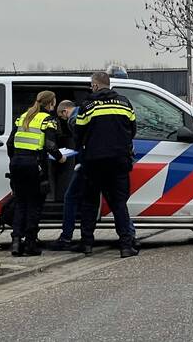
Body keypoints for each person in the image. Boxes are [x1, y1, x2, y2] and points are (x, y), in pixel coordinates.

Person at [75, 71, 138, 258]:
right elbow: (133, 130)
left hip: (94, 162)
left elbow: (79, 133)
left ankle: (86, 244)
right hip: (119, 161)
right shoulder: (125, 103)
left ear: (95, 85)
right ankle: (126, 246)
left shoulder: (87, 105)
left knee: (90, 203)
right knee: (119, 204)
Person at [6, 90, 66, 257]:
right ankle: (30, 244)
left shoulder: (23, 116)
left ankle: (16, 242)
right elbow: (50, 146)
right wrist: (61, 158)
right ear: (50, 104)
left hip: (17, 164)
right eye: (54, 102)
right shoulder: (48, 119)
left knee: (20, 203)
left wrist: (15, 160)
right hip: (35, 166)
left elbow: (10, 144)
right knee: (34, 205)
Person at [51, 100, 82, 251]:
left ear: (65, 111)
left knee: (70, 197)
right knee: (116, 201)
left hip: (87, 165)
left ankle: (66, 237)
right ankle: (129, 237)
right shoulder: (87, 112)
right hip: (96, 162)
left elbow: (81, 141)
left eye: (62, 117)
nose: (65, 121)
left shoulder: (74, 119)